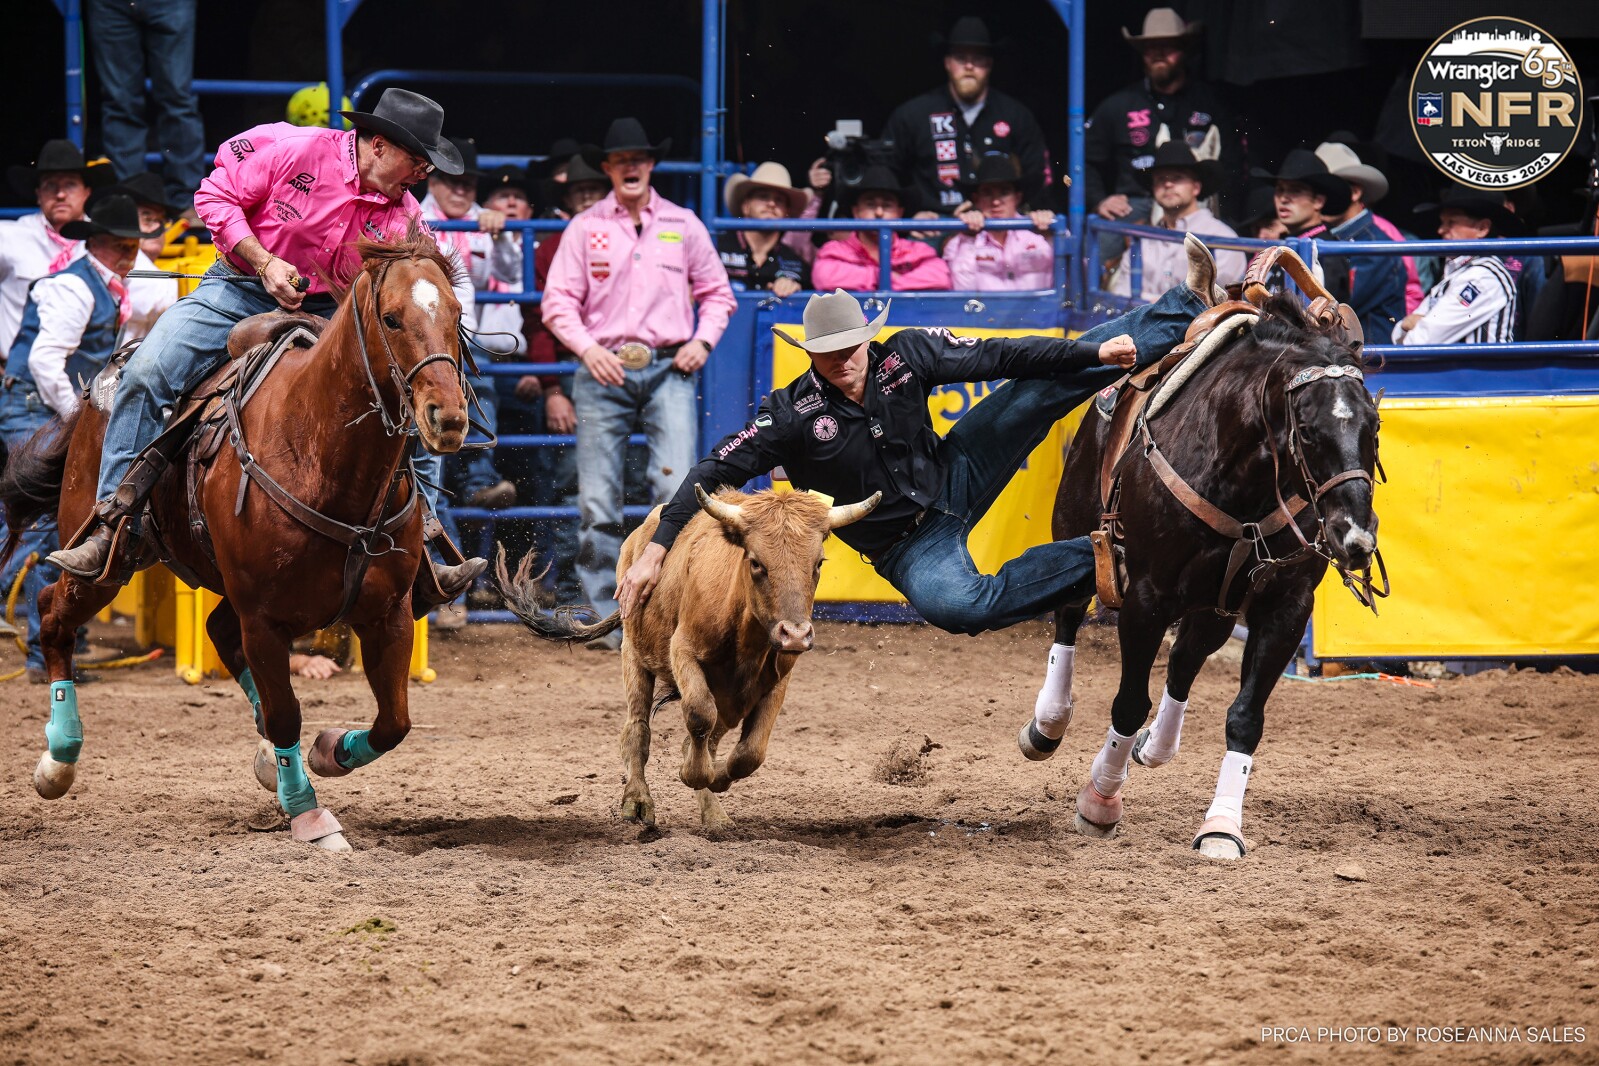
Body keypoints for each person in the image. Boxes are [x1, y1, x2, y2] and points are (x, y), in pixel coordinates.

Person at [615, 239, 1225, 639]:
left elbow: (1000, 354)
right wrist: (655, 550)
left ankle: (1186, 307)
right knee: (960, 608)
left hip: (957, 470)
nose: (844, 360)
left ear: (866, 337)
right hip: (906, 547)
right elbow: (710, 470)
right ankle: (1116, 555)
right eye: (828, 354)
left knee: (1037, 386)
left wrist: (1091, 350)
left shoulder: (904, 354)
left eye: (851, 347)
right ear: (810, 356)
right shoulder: (791, 415)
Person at [47, 89, 487, 618]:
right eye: (417, 160)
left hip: (331, 314)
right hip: (236, 288)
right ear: (377, 146)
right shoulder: (295, 151)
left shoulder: (405, 219)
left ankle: (421, 549)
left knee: (406, 408)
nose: (421, 174)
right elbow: (215, 196)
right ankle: (115, 526)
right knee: (145, 375)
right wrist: (264, 262)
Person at [541, 117, 737, 648]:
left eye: (639, 158)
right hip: (604, 367)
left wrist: (702, 341)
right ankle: (611, 624)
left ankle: (671, 610)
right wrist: (587, 349)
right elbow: (557, 304)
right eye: (621, 159)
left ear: (651, 165)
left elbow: (718, 294)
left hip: (670, 364)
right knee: (598, 501)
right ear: (607, 167)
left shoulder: (683, 223)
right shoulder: (586, 228)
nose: (631, 166)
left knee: (677, 488)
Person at [0, 196, 160, 682]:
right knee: (51, 521)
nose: (130, 257)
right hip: (35, 404)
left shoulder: (100, 281)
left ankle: (51, 640)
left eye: (133, 248)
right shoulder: (76, 287)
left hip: (38, 404)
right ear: (97, 244)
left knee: (50, 516)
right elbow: (45, 364)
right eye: (120, 247)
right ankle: (42, 651)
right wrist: (83, 421)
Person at [518, 155, 614, 610]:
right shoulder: (550, 248)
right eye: (580, 193)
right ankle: (576, 592)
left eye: (596, 190)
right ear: (569, 199)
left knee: (625, 485)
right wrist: (555, 389)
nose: (589, 199)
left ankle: (617, 590)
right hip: (575, 377)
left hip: (625, 371)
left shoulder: (628, 238)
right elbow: (540, 323)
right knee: (574, 486)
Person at [1085, 9, 1243, 260]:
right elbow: (1085, 160)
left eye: (1167, 46)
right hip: (1138, 202)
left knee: (1228, 249)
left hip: (1199, 203)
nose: (1158, 54)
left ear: (1184, 51)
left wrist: (1229, 213)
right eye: (1150, 47)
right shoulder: (1118, 105)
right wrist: (1099, 200)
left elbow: (1233, 164)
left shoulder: (1211, 103)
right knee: (1094, 253)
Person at [419, 137, 519, 511]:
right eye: (451, 181)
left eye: (468, 183)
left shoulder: (485, 221)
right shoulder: (413, 218)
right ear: (433, 181)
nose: (461, 190)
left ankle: (479, 482)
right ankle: (445, 498)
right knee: (436, 410)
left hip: (467, 335)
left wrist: (503, 233)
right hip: (425, 337)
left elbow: (509, 272)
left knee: (482, 395)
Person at [882, 16, 1049, 216]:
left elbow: (1037, 175)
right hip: (934, 228)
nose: (969, 66)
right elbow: (885, 174)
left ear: (989, 64)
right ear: (947, 63)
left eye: (978, 59)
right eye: (960, 58)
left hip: (999, 228)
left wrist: (1032, 213)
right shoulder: (913, 115)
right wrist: (911, 215)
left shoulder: (1016, 116)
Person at [86, 0, 205, 218]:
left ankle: (186, 200)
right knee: (120, 103)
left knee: (176, 99)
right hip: (110, 6)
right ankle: (130, 203)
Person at [1, 140, 112, 359]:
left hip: (85, 382)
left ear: (86, 192)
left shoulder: (107, 243)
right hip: (15, 379)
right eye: (51, 185)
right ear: (38, 193)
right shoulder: (9, 237)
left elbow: (151, 297)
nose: (60, 194)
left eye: (70, 184)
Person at [1109, 141, 1244, 302]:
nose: (1167, 184)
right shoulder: (1143, 240)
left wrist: (1151, 302)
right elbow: (1122, 295)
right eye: (1160, 179)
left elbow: (1218, 302)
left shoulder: (1223, 237)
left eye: (1178, 178)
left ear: (1196, 187)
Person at [1395, 187, 1521, 346]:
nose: (1440, 230)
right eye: (1442, 222)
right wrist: (1412, 324)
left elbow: (1421, 341)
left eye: (1451, 222)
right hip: (1458, 370)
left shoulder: (1482, 275)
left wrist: (1415, 324)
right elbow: (1398, 334)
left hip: (1476, 370)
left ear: (1482, 229)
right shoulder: (1460, 271)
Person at [1313, 141, 1406, 340]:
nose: (1317, 198)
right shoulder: (1329, 237)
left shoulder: (1374, 246)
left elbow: (1338, 306)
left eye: (1328, 189)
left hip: (1370, 359)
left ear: (1355, 192)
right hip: (1343, 355)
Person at [812, 166, 952, 292]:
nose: (879, 212)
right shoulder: (835, 250)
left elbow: (940, 277)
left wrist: (878, 281)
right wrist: (881, 276)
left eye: (887, 206)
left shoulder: (918, 250)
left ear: (900, 212)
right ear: (856, 211)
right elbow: (824, 277)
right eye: (870, 205)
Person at [1250, 149, 1352, 303]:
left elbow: (1320, 319)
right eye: (1280, 190)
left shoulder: (1327, 251)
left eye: (1295, 190)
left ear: (1318, 201)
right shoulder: (1285, 243)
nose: (1283, 198)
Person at [942, 155, 1056, 291]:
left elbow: (1074, 279)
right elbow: (963, 293)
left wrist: (1052, 237)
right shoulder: (959, 242)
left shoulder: (1042, 233)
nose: (996, 202)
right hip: (985, 312)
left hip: (1040, 312)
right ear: (976, 199)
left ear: (1017, 197)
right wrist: (969, 238)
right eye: (987, 193)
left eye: (1004, 192)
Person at [93, 171, 181, 342]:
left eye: (161, 220)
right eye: (147, 217)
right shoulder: (115, 260)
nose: (156, 227)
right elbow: (157, 296)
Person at [718, 162, 812, 296]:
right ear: (746, 206)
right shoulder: (716, 248)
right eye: (763, 197)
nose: (771, 204)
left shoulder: (797, 264)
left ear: (787, 212)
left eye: (779, 200)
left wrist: (794, 289)